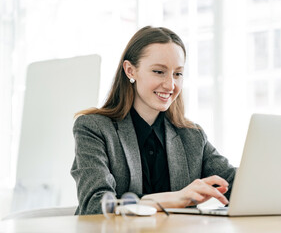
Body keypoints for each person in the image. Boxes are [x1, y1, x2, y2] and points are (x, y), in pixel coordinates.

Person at [71, 26, 236, 215]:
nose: (170, 85)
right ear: (130, 70)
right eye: (159, 71)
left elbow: (236, 184)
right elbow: (95, 205)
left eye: (178, 74)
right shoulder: (93, 128)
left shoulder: (192, 136)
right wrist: (173, 199)